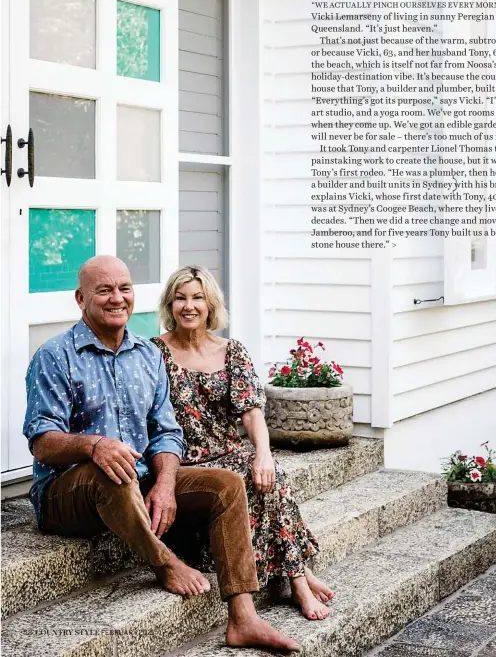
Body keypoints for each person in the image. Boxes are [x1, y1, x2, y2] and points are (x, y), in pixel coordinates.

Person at [23, 255, 299, 653]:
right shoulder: (55, 356)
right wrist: (94, 445)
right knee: (112, 469)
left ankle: (244, 617)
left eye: (125, 288)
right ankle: (165, 562)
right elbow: (42, 441)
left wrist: (167, 483)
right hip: (67, 494)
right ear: (81, 299)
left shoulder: (147, 355)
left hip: (138, 481)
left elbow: (167, 432)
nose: (117, 298)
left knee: (226, 483)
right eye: (104, 290)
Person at [152, 265, 334, 622]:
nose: (189, 306)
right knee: (250, 481)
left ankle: (294, 574)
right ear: (170, 305)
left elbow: (252, 412)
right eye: (180, 298)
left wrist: (263, 454)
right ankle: (298, 576)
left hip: (230, 452)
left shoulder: (231, 351)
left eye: (198, 298)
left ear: (210, 304)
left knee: (269, 473)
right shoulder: (154, 353)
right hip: (187, 461)